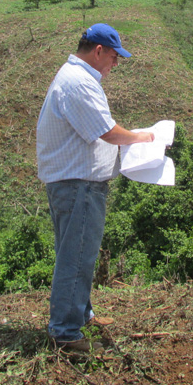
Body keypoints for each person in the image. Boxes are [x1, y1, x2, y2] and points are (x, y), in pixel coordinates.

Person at [37, 23, 155, 352]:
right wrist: (141, 137)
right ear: (99, 51)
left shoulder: (74, 77)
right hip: (79, 184)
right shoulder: (78, 82)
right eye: (115, 57)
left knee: (76, 253)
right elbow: (107, 132)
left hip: (72, 182)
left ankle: (81, 313)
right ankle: (65, 332)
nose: (116, 64)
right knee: (76, 257)